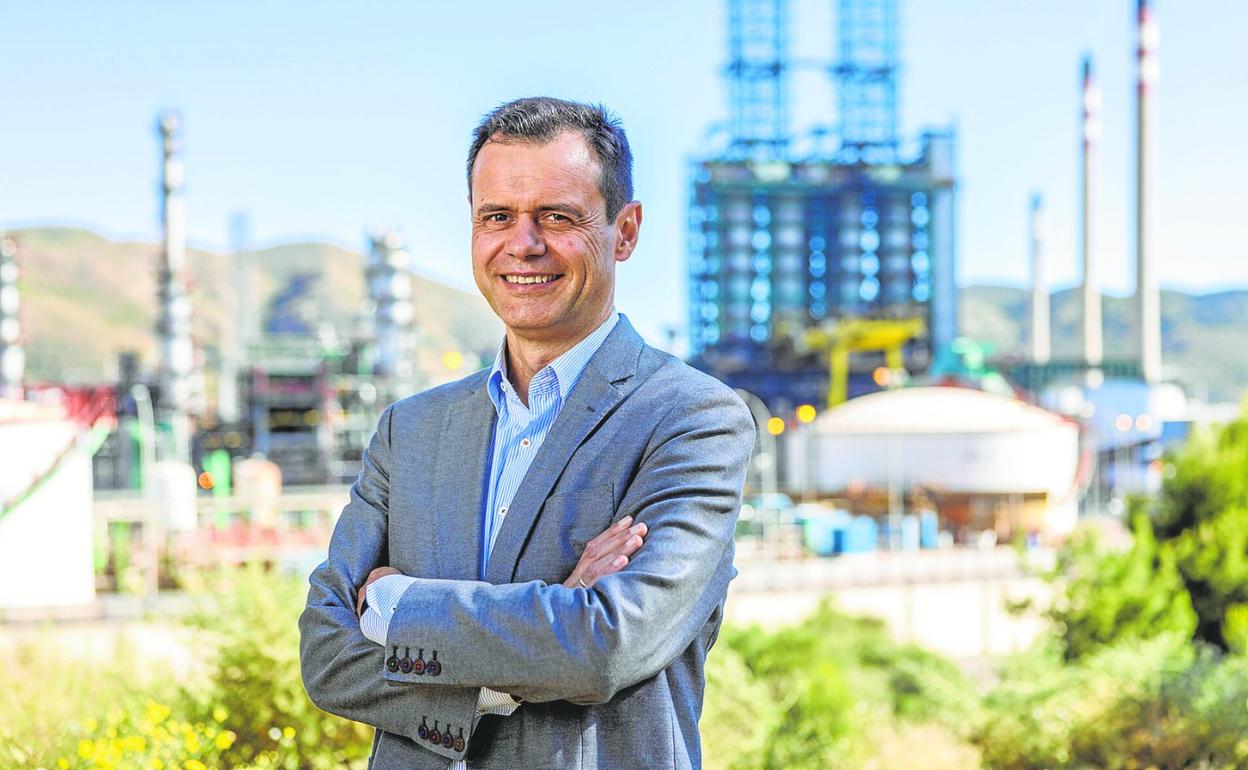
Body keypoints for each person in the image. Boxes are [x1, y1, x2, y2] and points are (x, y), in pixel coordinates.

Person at [299, 96, 754, 769]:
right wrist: (529, 648)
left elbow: (607, 645)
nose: (524, 243)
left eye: (557, 217)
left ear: (625, 231)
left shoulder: (692, 419)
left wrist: (397, 604)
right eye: (497, 217)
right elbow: (327, 657)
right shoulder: (410, 430)